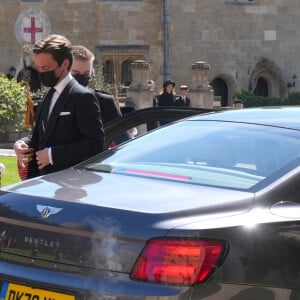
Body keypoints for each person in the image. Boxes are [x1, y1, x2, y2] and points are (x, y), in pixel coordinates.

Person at [13, 34, 104, 179]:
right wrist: (21, 145)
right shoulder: (48, 94)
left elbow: (95, 145)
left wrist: (51, 155)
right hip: (43, 183)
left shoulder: (83, 97)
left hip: (70, 185)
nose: (41, 72)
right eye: (39, 67)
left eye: (46, 67)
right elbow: (44, 136)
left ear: (65, 64)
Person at [71, 45, 122, 125]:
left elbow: (122, 135)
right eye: (76, 73)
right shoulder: (54, 100)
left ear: (92, 73)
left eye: (86, 73)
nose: (81, 77)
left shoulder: (105, 102)